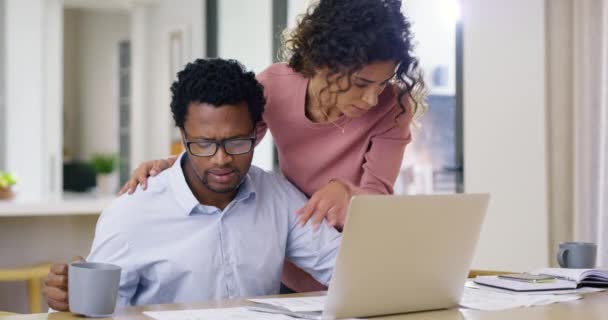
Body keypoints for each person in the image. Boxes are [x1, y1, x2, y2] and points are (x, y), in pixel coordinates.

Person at [120, 0, 425, 292]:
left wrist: (348, 192)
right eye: (360, 83)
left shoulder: (393, 107)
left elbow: (379, 195)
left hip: (357, 260)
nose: (372, 98)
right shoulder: (276, 87)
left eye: (382, 83)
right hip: (294, 256)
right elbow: (231, 148)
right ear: (325, 62)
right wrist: (172, 164)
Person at [42, 58, 341, 311]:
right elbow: (100, 310)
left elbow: (344, 267)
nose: (221, 159)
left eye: (237, 142)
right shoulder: (133, 212)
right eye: (205, 144)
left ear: (255, 132)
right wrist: (71, 299)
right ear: (184, 137)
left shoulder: (277, 197)